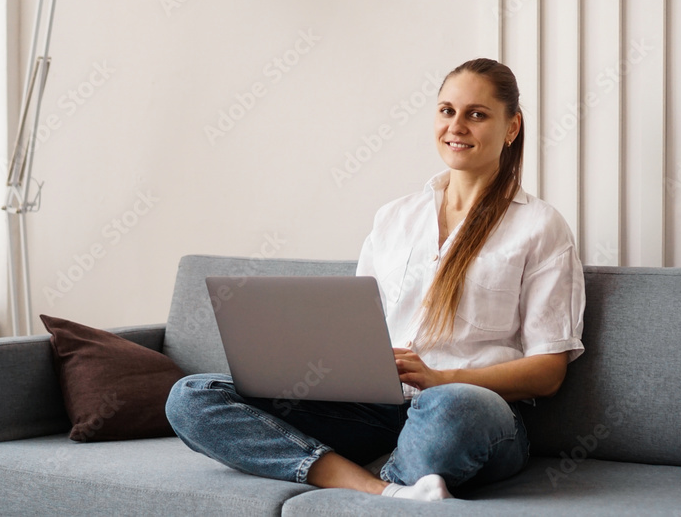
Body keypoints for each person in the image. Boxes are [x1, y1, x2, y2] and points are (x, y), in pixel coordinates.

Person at [165, 58, 585, 501]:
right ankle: (378, 488)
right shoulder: (394, 218)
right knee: (192, 396)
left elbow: (548, 372)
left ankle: (389, 476)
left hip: (472, 413)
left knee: (455, 406)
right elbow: (354, 329)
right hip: (377, 409)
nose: (456, 126)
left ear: (511, 127)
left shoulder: (540, 227)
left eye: (476, 114)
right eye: (447, 111)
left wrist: (441, 378)